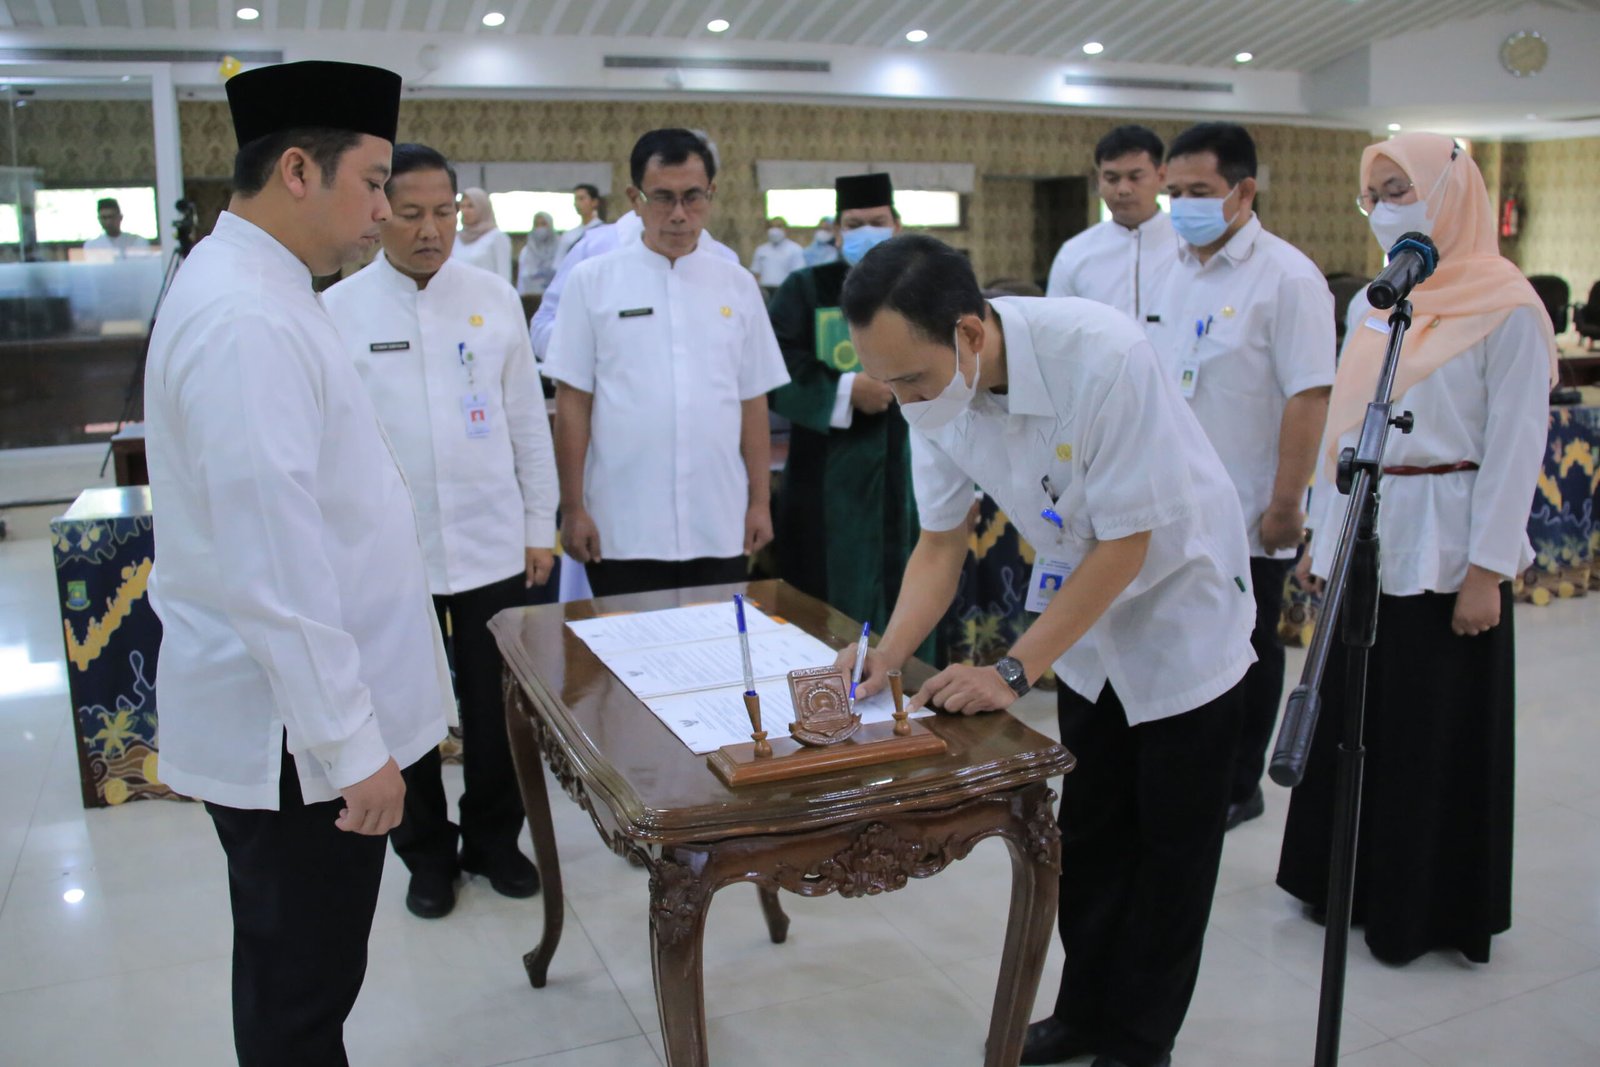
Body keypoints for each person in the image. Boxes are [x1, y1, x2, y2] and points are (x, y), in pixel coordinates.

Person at [840, 235, 1255, 1067]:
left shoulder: (1103, 356)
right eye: (888, 382)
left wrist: (1011, 670)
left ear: (969, 332)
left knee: (1171, 852)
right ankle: (1085, 1013)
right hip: (1086, 628)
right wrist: (887, 653)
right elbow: (940, 542)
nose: (904, 399)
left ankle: (1140, 1041)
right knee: (1090, 839)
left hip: (1183, 618)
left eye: (912, 379)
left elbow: (1128, 546)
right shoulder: (937, 396)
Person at [142, 61, 454, 1065]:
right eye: (373, 184)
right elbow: (271, 560)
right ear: (296, 171)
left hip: (303, 730)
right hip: (295, 747)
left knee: (303, 982)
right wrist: (350, 746)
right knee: (301, 998)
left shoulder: (265, 287)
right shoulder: (246, 317)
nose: (384, 212)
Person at [1278, 132, 1555, 966]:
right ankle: (1345, 884)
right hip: (1368, 526)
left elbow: (1516, 448)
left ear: (1449, 194)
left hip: (1449, 542)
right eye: (1375, 194)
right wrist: (1322, 535)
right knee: (1354, 717)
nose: (1384, 209)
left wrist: (1486, 572)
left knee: (1427, 728)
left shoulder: (1508, 308)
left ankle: (1421, 904)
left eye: (1401, 190)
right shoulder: (1377, 305)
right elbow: (1346, 426)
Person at [323, 143, 558, 920]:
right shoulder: (338, 311)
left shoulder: (493, 298)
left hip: (493, 541)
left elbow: (528, 423)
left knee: (498, 711)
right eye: (411, 213)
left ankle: (494, 841)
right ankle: (425, 853)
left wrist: (540, 525)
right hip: (391, 554)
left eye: (444, 212)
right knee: (405, 709)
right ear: (379, 213)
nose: (431, 230)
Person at [1150, 121, 1335, 830]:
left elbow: (1309, 397)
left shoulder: (1288, 278)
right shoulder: (1171, 267)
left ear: (1244, 191)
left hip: (1249, 504)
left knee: (1247, 647)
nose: (1183, 206)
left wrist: (1287, 503)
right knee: (1185, 638)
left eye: (1199, 191)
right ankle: (1192, 765)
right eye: (1175, 192)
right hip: (1175, 497)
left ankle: (1238, 782)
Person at [543, 128, 789, 597]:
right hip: (620, 525)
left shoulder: (738, 286)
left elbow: (752, 401)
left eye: (692, 197)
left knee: (714, 642)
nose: (678, 214)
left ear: (711, 194)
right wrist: (572, 508)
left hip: (719, 521)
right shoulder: (591, 282)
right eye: (662, 198)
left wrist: (760, 503)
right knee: (626, 644)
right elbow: (572, 402)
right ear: (634, 199)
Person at [766, 173, 920, 642]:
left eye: (877, 221)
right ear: (836, 231)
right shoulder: (805, 288)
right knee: (823, 615)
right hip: (825, 478)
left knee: (913, 591)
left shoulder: (925, 290)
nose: (866, 232)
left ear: (897, 226)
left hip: (911, 471)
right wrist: (845, 390)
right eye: (854, 224)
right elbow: (774, 365)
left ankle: (909, 681)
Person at [1046, 125, 1175, 324]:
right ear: (1099, 180)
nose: (1123, 189)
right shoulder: (1074, 253)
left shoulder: (1190, 245)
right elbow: (1055, 327)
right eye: (1112, 179)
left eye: (1135, 177)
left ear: (1162, 176)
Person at [452, 186, 511, 283]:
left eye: (470, 206)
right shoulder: (457, 238)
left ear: (482, 208)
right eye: (462, 206)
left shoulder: (497, 237)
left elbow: (504, 276)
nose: (465, 211)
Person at [750, 215, 806, 291]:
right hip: (765, 291)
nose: (774, 230)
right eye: (771, 227)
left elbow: (798, 275)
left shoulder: (795, 249)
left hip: (786, 290)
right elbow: (756, 273)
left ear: (786, 229)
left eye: (779, 226)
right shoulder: (761, 250)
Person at [554, 182, 603, 267]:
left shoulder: (604, 231)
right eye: (576, 199)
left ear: (594, 202)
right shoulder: (569, 235)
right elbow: (558, 264)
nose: (577, 203)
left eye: (581, 199)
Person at [84, 197, 149, 258]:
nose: (108, 222)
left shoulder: (138, 241)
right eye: (104, 218)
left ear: (120, 217)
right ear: (99, 219)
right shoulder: (92, 245)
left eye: (111, 217)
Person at [516, 210, 559, 295]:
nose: (540, 228)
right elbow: (521, 280)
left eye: (543, 224)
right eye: (537, 225)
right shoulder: (526, 252)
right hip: (531, 297)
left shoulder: (560, 249)